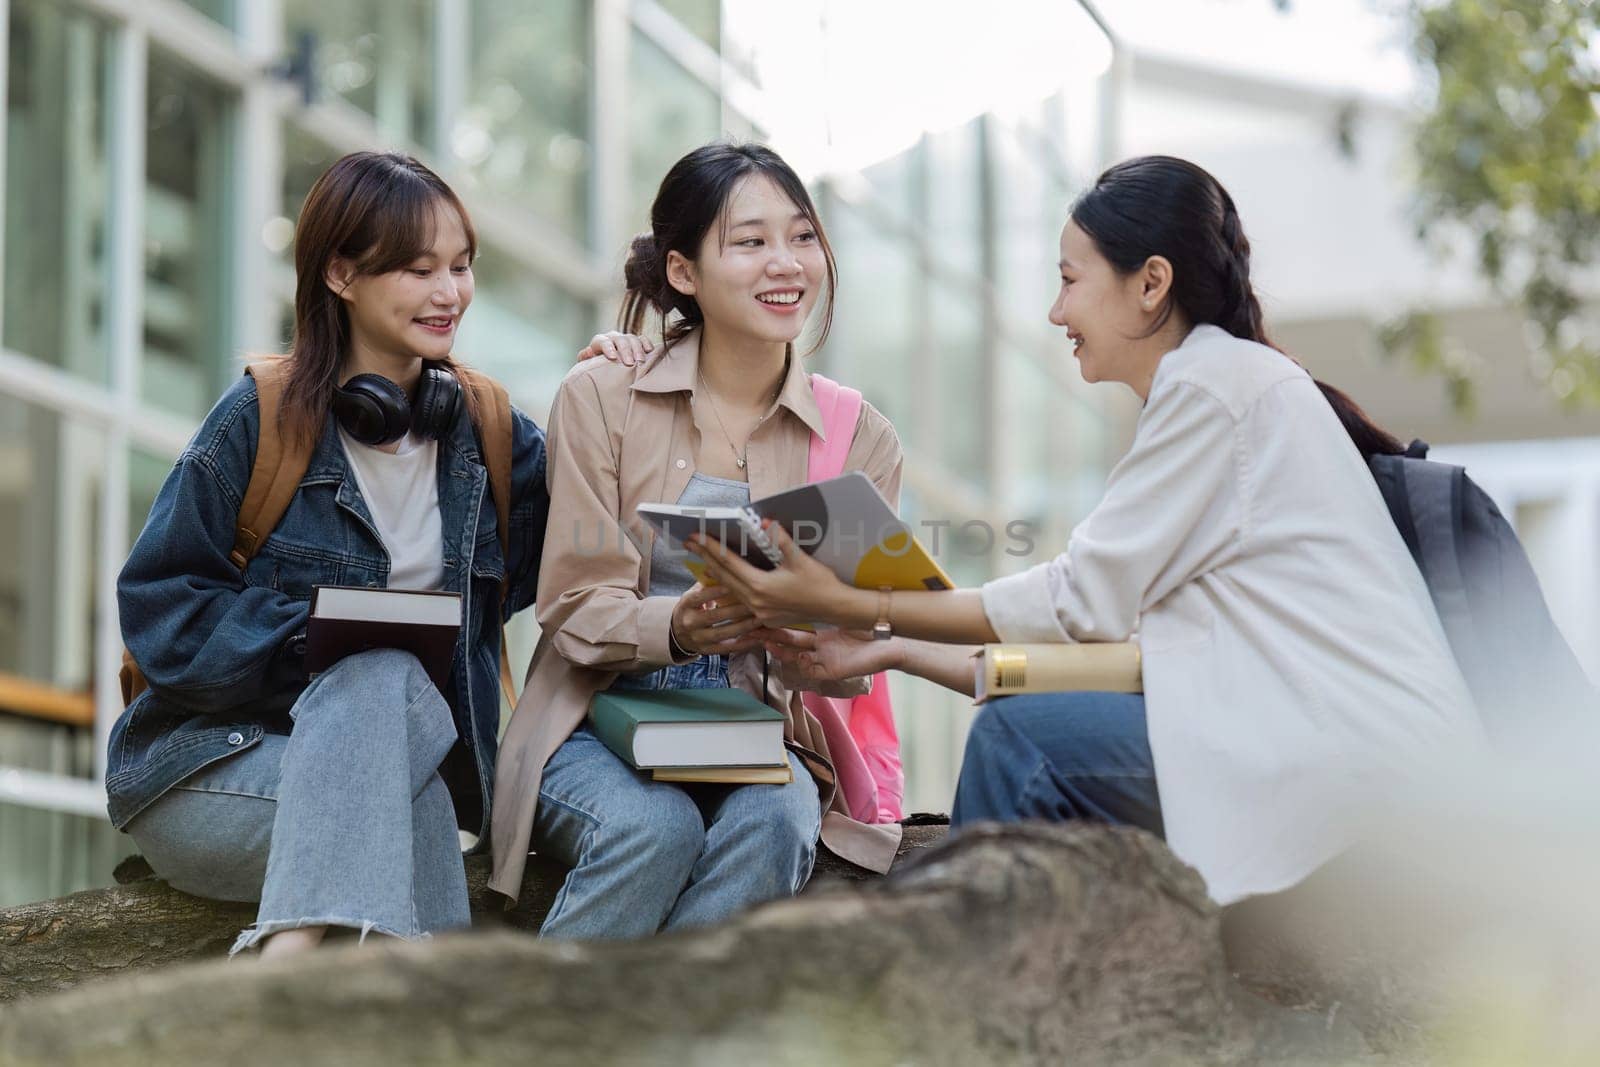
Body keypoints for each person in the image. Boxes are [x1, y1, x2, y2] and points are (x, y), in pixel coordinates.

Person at [686, 155, 1487, 906]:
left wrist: (864, 607)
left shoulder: (1212, 389)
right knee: (1031, 728)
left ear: (1151, 284)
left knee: (1022, 741)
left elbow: (1077, 605)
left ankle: (966, 1005)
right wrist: (896, 650)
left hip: (1359, 768)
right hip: (1342, 749)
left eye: (1070, 280)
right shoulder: (1223, 386)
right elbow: (1121, 662)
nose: (1056, 310)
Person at [111, 151, 550, 957]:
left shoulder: (490, 435)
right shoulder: (258, 419)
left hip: (398, 778)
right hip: (214, 774)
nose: (449, 292)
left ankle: (296, 968)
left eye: (460, 266)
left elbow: (596, 557)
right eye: (419, 269)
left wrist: (620, 381)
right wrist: (311, 639)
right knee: (379, 674)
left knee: (406, 765)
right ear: (342, 274)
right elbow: (158, 608)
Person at [488, 142, 907, 934]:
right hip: (592, 717)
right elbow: (572, 602)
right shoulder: (604, 395)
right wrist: (675, 627)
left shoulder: (859, 438)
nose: (786, 264)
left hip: (751, 723)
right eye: (749, 242)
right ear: (684, 272)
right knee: (653, 826)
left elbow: (855, 650)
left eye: (802, 236)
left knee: (778, 821)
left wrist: (800, 629)